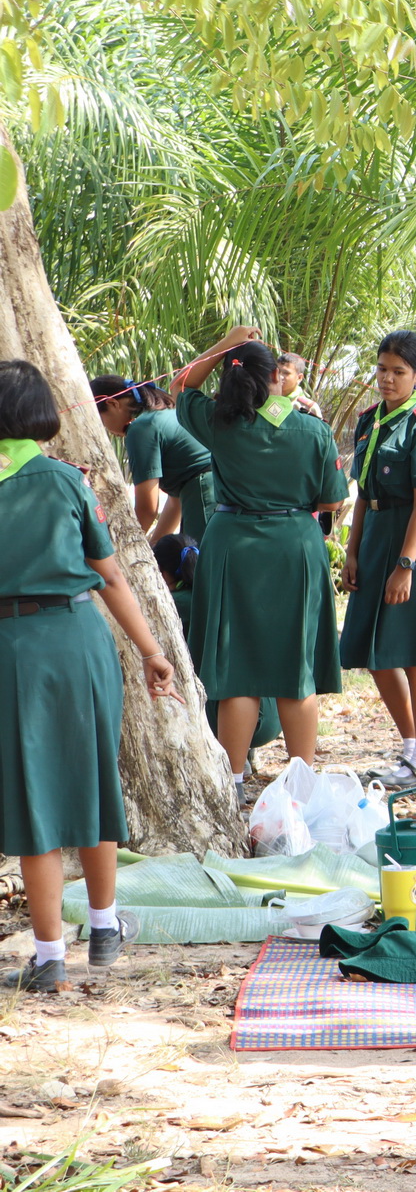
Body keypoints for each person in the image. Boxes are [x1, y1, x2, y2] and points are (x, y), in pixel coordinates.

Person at [0, 361, 176, 991]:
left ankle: (49, 957)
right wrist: (152, 651)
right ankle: (104, 927)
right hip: (77, 638)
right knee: (96, 778)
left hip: (12, 650)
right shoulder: (66, 479)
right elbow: (111, 575)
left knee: (33, 797)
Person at [173, 326, 349, 799]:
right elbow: (332, 501)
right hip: (295, 548)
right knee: (296, 671)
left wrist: (224, 344)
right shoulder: (313, 429)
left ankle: (232, 783)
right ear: (276, 377)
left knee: (238, 671)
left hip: (234, 546)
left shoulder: (220, 423)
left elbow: (181, 385)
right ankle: (301, 788)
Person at [341, 330, 416, 788]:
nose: (387, 379)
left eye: (398, 371)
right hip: (375, 536)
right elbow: (362, 494)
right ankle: (412, 749)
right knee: (374, 651)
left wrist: (405, 566)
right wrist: (352, 551)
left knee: (413, 653)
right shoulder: (368, 421)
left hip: (412, 542)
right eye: (382, 369)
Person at [153, 533, 282, 760]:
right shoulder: (223, 594)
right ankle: (242, 752)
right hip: (273, 715)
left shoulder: (171, 606)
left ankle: (230, 754)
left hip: (229, 715)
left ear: (161, 573)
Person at [90, 376, 216, 542]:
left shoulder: (141, 428)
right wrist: (154, 547)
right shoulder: (168, 412)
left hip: (206, 494)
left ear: (113, 403)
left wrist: (122, 546)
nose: (106, 429)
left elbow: (147, 509)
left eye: (101, 421)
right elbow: (175, 503)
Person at [274, 352, 324, 419]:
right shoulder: (265, 398)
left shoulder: (308, 408)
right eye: (278, 372)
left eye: (286, 373)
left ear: (299, 377)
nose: (280, 376)